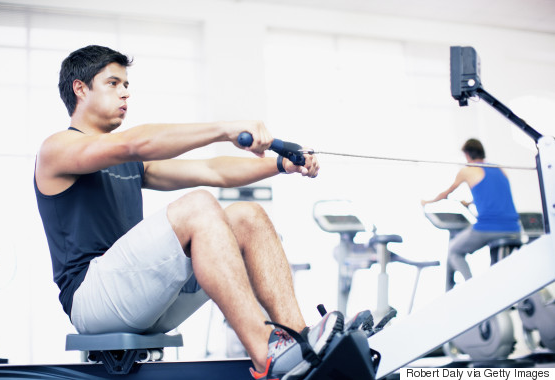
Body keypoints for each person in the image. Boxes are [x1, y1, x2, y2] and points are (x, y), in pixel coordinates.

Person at [34, 45, 344, 380]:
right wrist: (226, 129)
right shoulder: (57, 150)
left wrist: (280, 165)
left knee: (247, 216)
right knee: (198, 206)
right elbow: (133, 143)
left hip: (141, 299)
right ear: (80, 89)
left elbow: (214, 171)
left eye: (126, 85)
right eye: (113, 83)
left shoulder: (133, 163)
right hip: (92, 300)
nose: (125, 92)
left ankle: (301, 345)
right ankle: (264, 354)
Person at [421, 138, 521, 290]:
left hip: (489, 228)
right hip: (514, 228)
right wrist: (470, 203)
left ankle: (472, 289)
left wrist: (427, 202)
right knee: (496, 272)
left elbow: (445, 193)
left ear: (467, 155)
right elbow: (495, 195)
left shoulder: (468, 170)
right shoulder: (499, 169)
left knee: (453, 250)